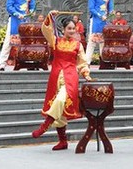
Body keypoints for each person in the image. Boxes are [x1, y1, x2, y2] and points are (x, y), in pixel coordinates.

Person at [31, 12, 92, 150]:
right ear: (63, 29)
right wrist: (49, 16)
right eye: (69, 28)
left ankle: (45, 125)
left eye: (73, 28)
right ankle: (63, 141)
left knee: (59, 100)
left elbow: (82, 62)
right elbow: (46, 30)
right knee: (60, 109)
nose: (71, 31)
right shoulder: (55, 41)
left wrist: (86, 74)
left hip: (70, 77)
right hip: (56, 76)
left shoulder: (78, 45)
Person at [0, 0, 35, 71]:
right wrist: (16, 13)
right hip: (15, 19)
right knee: (8, 41)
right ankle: (2, 64)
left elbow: (32, 6)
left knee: (27, 41)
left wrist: (31, 12)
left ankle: (29, 62)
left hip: (25, 20)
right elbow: (9, 6)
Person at [85, 0, 113, 64]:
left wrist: (111, 14)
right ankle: (86, 62)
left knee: (103, 42)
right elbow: (91, 9)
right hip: (96, 20)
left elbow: (110, 7)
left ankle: (104, 62)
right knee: (92, 41)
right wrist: (100, 16)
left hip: (105, 21)